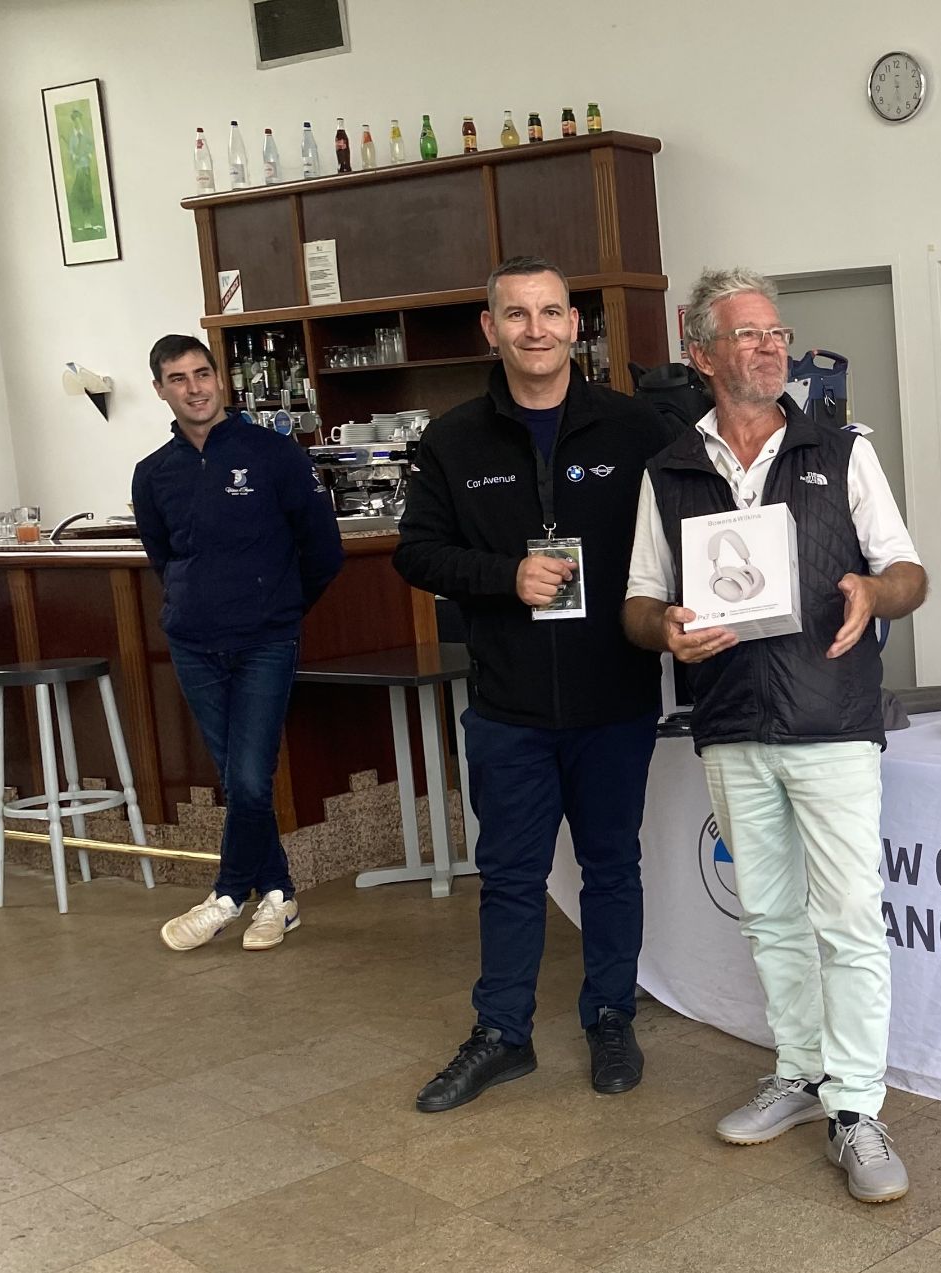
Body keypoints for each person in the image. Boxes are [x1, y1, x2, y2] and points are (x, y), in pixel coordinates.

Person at [623, 267, 928, 1203]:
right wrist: (664, 628)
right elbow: (638, 600)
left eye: (776, 332)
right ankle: (799, 1072)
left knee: (848, 918)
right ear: (700, 351)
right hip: (730, 724)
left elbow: (909, 572)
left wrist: (874, 592)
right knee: (768, 917)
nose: (769, 347)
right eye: (747, 334)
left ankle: (856, 1107)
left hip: (831, 721)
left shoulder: (841, 451)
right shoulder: (670, 469)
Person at [393, 256, 682, 1112]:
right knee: (510, 876)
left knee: (611, 867)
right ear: (491, 328)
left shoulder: (634, 429)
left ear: (573, 325)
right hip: (508, 705)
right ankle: (502, 1034)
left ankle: (610, 1015)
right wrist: (502, 575)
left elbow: (681, 534)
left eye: (551, 312)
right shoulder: (453, 439)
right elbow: (416, 552)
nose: (536, 329)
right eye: (516, 314)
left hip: (614, 697)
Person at [132, 334, 343, 951]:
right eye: (178, 379)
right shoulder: (153, 473)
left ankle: (226, 895)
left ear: (220, 378)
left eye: (202, 373)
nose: (194, 388)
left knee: (250, 778)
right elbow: (164, 557)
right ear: (160, 390)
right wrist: (193, 602)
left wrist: (278, 608)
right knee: (238, 779)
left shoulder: (274, 454)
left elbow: (323, 550)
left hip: (265, 642)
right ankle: (278, 895)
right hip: (194, 645)